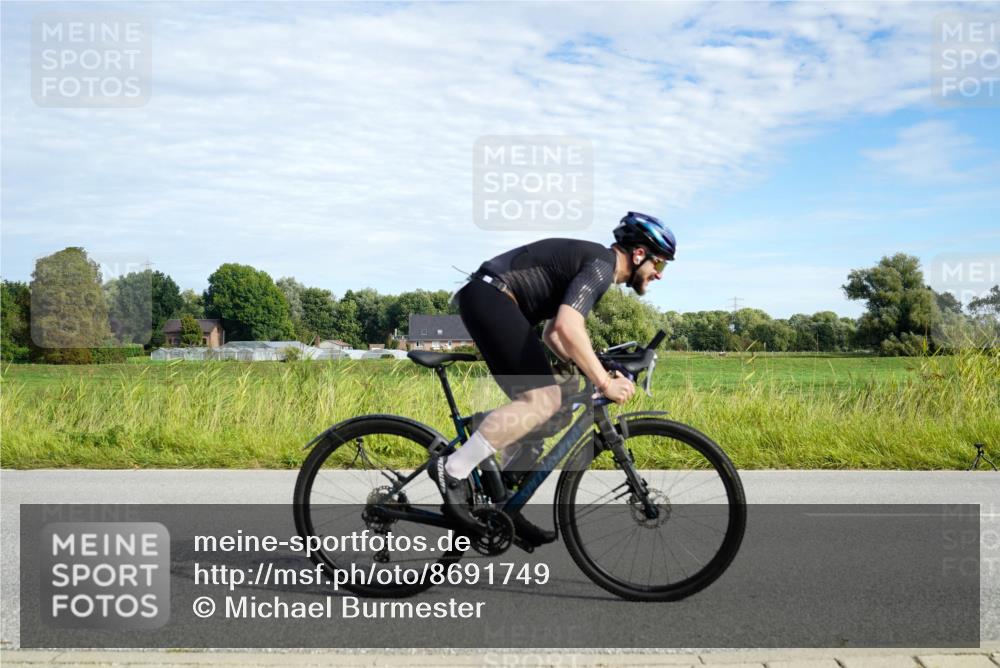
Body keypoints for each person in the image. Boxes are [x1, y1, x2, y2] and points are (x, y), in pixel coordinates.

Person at [428, 212, 677, 546]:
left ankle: (504, 505)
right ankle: (454, 468)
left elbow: (553, 336)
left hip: (494, 300)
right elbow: (566, 328)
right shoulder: (602, 265)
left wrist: (594, 368)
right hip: (491, 298)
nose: (658, 275)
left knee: (555, 407)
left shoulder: (596, 265)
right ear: (638, 254)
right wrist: (604, 382)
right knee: (543, 399)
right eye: (659, 265)